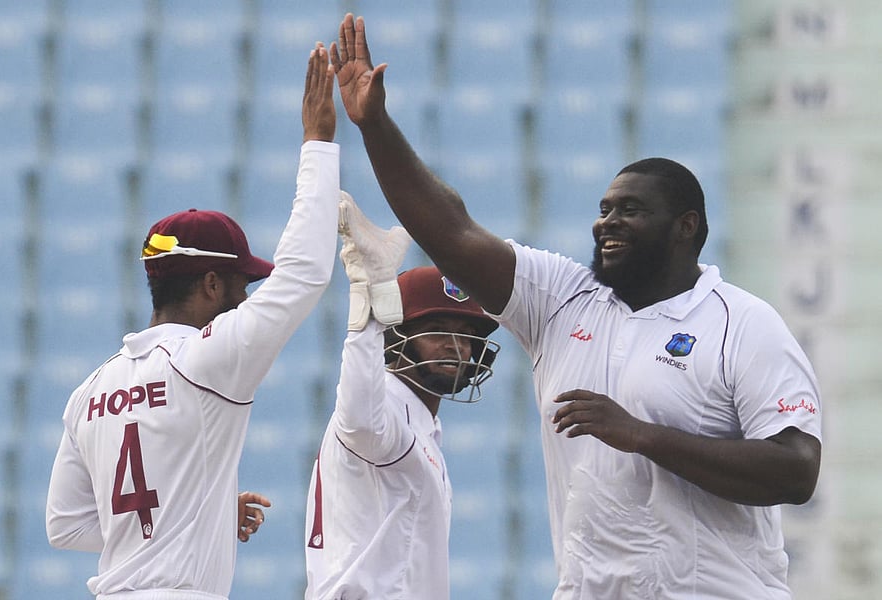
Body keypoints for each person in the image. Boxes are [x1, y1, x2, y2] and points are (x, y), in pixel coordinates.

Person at [329, 13, 823, 599]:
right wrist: (375, 125)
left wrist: (644, 436)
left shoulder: (743, 323)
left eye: (630, 210)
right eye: (604, 208)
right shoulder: (561, 299)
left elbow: (796, 470)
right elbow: (452, 230)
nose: (605, 223)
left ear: (685, 227)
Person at [45, 43, 340, 599]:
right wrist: (317, 145)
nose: (246, 297)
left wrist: (192, 515)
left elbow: (65, 527)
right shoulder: (208, 358)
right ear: (210, 284)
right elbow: (303, 274)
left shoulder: (90, 391)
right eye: (241, 285)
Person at [303, 192, 501, 599]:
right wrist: (369, 302)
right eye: (437, 329)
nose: (455, 345)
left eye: (466, 335)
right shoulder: (386, 410)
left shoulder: (423, 426)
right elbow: (360, 417)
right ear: (397, 336)